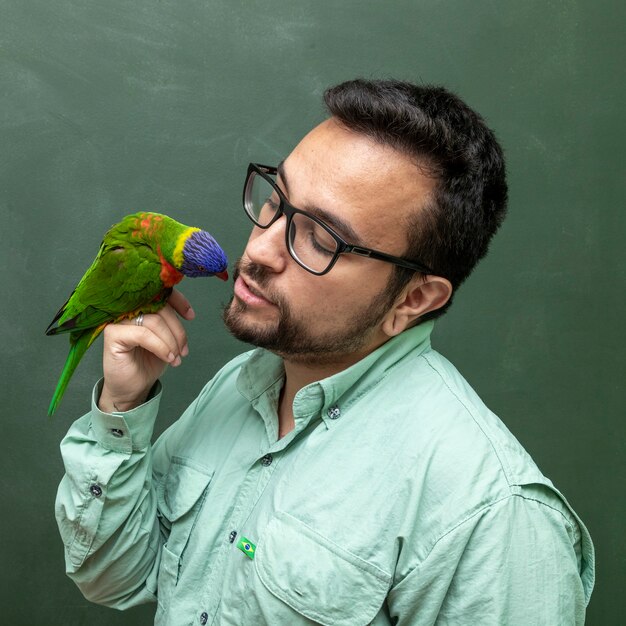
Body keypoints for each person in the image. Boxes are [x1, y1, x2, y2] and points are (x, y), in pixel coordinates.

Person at [55, 79, 594, 625]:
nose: (260, 249)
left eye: (320, 239)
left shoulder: (493, 517)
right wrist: (123, 407)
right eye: (275, 201)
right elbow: (114, 577)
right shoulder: (242, 384)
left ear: (414, 298)